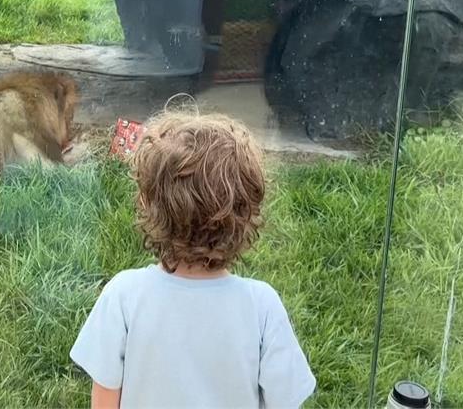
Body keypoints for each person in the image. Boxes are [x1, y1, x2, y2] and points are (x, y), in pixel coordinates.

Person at [70, 113, 315, 408]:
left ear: (147, 204)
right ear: (248, 213)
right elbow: (285, 402)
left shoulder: (124, 295)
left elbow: (105, 402)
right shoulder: (262, 306)